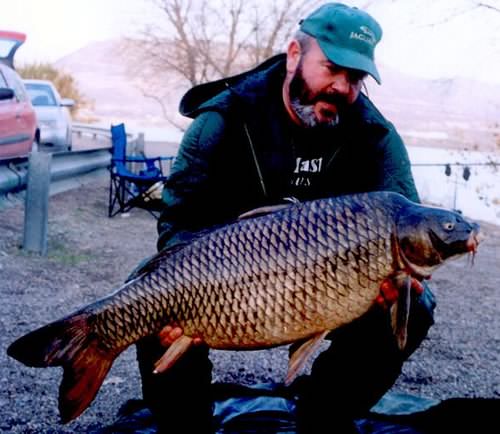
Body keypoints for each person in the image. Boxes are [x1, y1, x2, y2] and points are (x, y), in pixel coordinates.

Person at [136, 3, 436, 433]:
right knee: (148, 298)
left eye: (355, 78)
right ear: (294, 53)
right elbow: (179, 219)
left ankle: (323, 414)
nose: (341, 86)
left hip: (334, 284)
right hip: (225, 280)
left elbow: (410, 223)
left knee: (415, 304)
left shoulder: (375, 137)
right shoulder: (222, 118)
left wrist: (399, 280)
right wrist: (188, 286)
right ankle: (187, 426)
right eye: (332, 68)